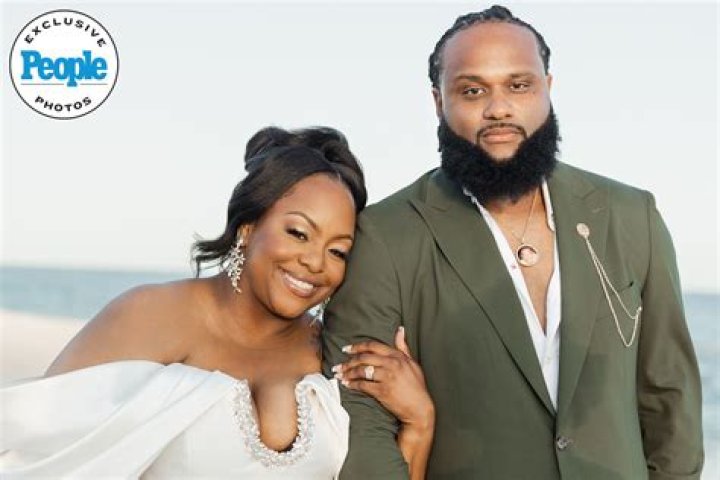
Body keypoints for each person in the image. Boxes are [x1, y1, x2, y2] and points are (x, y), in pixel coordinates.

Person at [325, 5, 703, 479]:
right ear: (439, 102)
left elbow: (669, 395)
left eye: (519, 85)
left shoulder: (631, 215)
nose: (498, 109)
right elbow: (360, 419)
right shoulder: (386, 234)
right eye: (472, 90)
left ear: (548, 88)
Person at [0, 126, 433, 479]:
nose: (315, 262)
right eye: (298, 233)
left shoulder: (333, 352)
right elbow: (37, 457)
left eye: (337, 251)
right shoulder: (153, 316)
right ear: (248, 226)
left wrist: (418, 423)